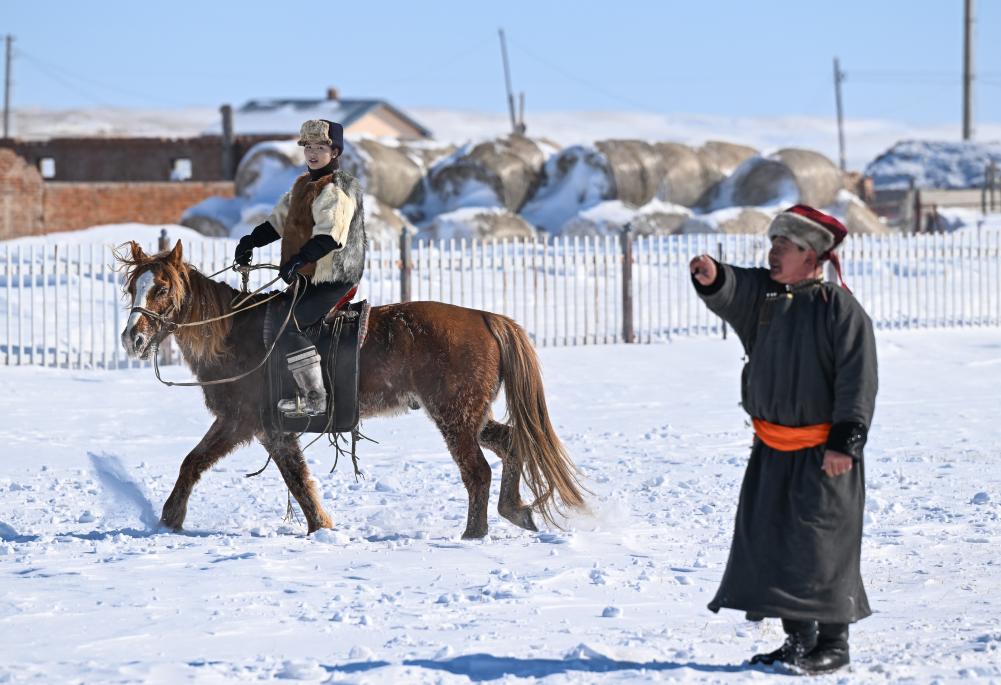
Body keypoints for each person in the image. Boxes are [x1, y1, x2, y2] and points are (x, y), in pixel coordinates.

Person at [689, 204, 877, 675]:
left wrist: (845, 442)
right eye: (772, 244)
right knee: (778, 540)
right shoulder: (768, 301)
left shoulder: (840, 310)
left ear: (812, 255)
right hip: (772, 449)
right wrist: (714, 278)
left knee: (822, 545)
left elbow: (858, 378)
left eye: (785, 246)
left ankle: (834, 643)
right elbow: (738, 289)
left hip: (824, 453)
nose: (774, 253)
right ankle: (799, 640)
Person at [233, 119, 365, 417]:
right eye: (308, 147)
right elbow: (278, 223)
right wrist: (250, 241)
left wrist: (298, 260)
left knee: (289, 326)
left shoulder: (337, 188)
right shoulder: (302, 186)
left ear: (335, 152)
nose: (313, 153)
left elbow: (331, 236)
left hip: (334, 278)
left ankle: (315, 398)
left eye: (321, 147)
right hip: (308, 278)